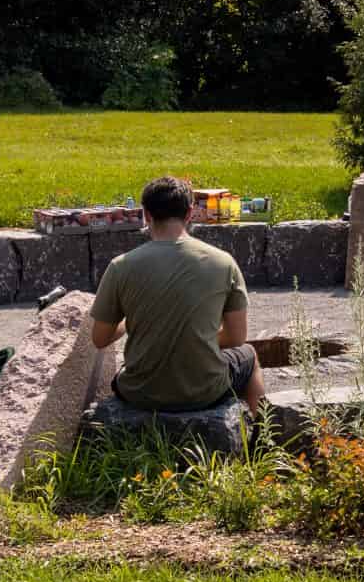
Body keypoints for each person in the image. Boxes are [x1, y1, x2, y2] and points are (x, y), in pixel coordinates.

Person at [90, 176, 265, 411]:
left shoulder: (120, 266)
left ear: (147, 215)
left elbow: (100, 338)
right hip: (205, 390)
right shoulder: (223, 263)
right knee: (249, 356)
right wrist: (196, 342)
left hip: (138, 391)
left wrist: (129, 320)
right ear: (190, 213)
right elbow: (236, 338)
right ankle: (261, 440)